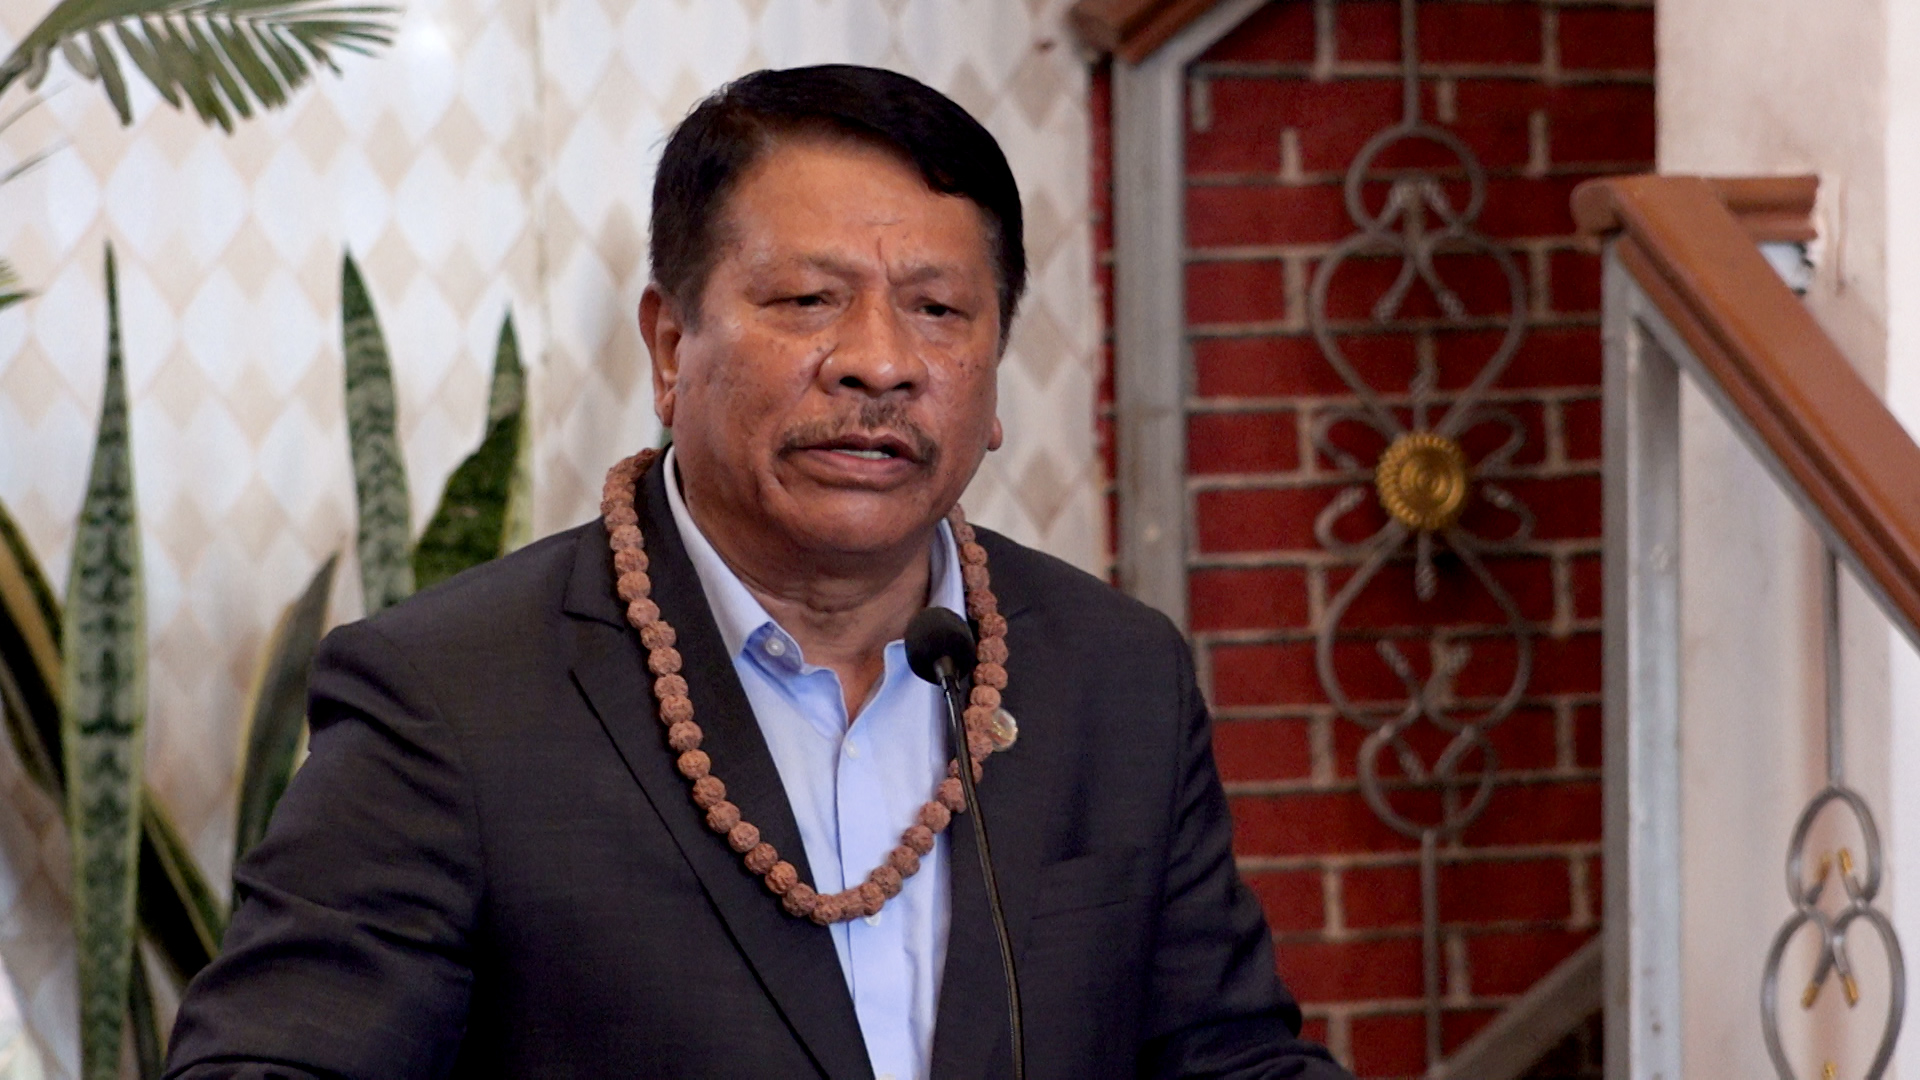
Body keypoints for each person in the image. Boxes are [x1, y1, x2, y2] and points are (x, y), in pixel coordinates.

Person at [163, 64, 1351, 1080]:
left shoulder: (1115, 673)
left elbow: (1230, 1059)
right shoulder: (454, 694)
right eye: (808, 300)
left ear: (993, 377)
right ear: (670, 345)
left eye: (939, 309)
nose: (881, 362)